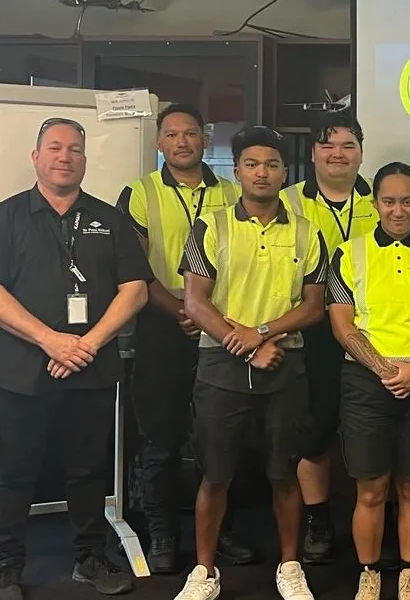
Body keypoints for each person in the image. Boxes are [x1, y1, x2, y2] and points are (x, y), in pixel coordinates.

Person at [0, 117, 152, 600]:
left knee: (88, 471)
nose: (65, 156)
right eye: (54, 148)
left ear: (85, 160)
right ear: (36, 157)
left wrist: (85, 344)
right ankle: (5, 567)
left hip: (90, 370)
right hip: (22, 372)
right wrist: (52, 340)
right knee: (16, 472)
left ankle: (89, 559)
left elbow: (134, 291)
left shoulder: (109, 220)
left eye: (74, 149)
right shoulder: (1, 217)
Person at [171, 126, 328, 600]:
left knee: (284, 472)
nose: (263, 172)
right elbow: (196, 303)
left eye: (273, 164)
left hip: (285, 364)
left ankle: (290, 565)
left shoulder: (305, 229)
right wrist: (248, 346)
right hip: (220, 368)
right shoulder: (211, 225)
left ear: (285, 173)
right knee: (216, 474)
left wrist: (262, 334)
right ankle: (203, 573)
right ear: (236, 171)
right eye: (253, 164)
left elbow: (314, 306)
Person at [116, 103, 258, 574]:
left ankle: (223, 532)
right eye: (172, 134)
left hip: (223, 330)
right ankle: (162, 533)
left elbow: (246, 265)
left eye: (191, 133)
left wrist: (209, 316)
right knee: (159, 439)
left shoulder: (234, 193)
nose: (182, 141)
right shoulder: (140, 193)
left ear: (205, 138)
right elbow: (133, 267)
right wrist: (182, 309)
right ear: (160, 143)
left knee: (221, 438)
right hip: (161, 327)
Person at [327, 161, 410, 600]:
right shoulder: (350, 253)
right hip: (367, 382)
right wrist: (388, 371)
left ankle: (408, 575)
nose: (398, 210)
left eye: (407, 201)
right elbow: (343, 326)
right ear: (375, 204)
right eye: (389, 201)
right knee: (370, 487)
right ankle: (369, 574)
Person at [281, 108, 379, 564]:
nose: (338, 154)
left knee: (374, 431)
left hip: (373, 334)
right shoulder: (288, 202)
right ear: (314, 153)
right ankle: (317, 519)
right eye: (328, 144)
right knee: (315, 428)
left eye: (348, 145)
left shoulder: (382, 201)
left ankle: (377, 519)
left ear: (361, 153)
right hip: (310, 334)